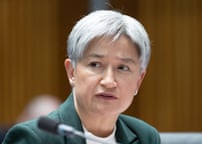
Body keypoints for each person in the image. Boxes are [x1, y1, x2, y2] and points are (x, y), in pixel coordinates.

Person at [3, 10, 161, 144]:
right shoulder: (34, 138)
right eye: (95, 64)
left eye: (123, 67)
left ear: (138, 81)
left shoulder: (145, 136)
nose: (109, 82)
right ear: (72, 72)